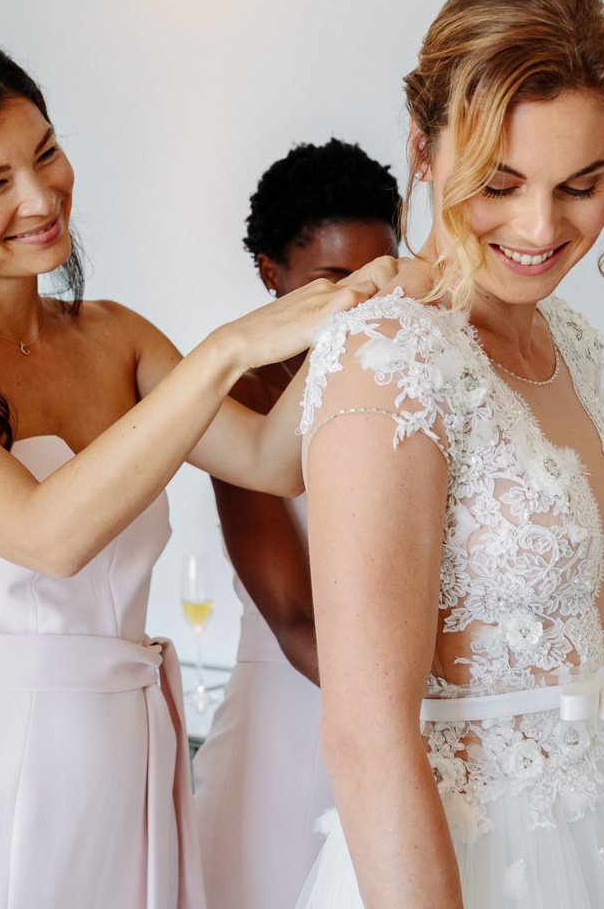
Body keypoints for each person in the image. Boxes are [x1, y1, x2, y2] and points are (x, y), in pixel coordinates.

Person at [0, 33, 390, 909]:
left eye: (45, 154)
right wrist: (227, 349)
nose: (42, 198)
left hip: (131, 761)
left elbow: (270, 462)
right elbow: (47, 536)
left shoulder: (114, 335)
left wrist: (366, 303)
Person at [295, 0, 604, 909]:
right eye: (498, 183)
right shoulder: (388, 353)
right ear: (422, 149)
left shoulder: (568, 342)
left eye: (582, 185)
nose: (540, 228)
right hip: (466, 859)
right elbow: (365, 732)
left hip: (598, 838)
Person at [192, 139, 402, 909]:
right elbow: (296, 617)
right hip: (291, 734)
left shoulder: (412, 377)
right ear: (269, 273)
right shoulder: (239, 403)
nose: (365, 304)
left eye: (383, 276)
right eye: (335, 282)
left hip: (410, 724)